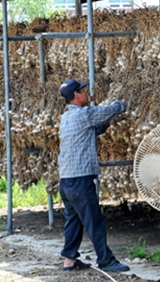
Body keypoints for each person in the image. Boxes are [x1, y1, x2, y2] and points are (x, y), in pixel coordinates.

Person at [58, 78, 130, 272]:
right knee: (94, 220)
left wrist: (105, 124)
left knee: (73, 220)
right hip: (80, 180)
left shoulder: (66, 118)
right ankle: (106, 261)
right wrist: (122, 103)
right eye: (83, 91)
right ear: (76, 95)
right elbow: (108, 111)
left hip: (66, 181)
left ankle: (69, 261)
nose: (86, 94)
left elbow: (92, 130)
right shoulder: (83, 115)